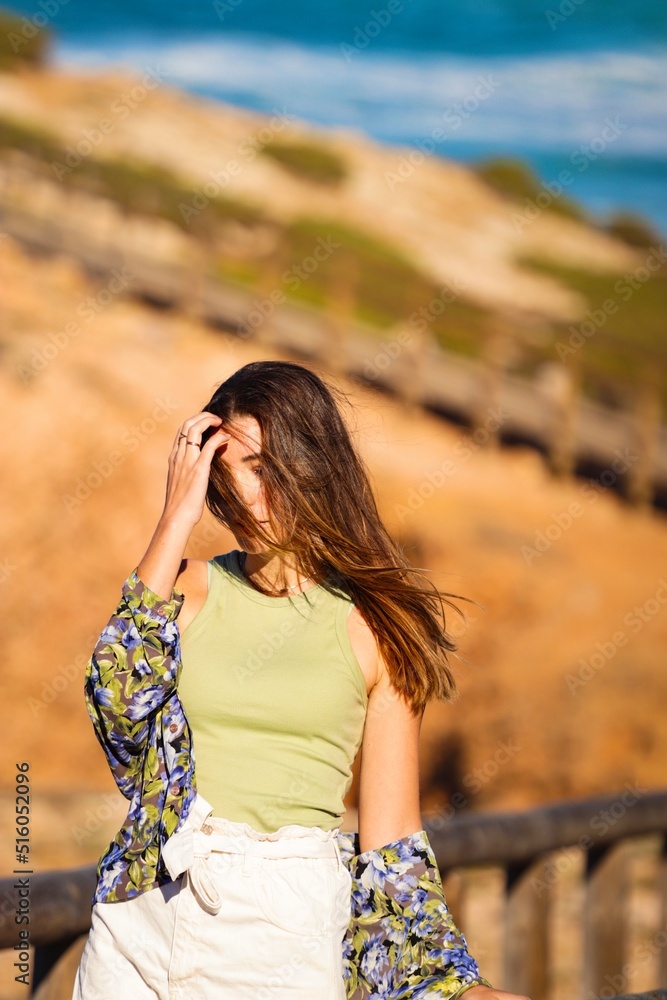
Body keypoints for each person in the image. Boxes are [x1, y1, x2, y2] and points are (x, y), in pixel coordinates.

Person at [72, 359, 531, 1000]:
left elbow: (391, 836)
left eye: (260, 468)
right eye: (223, 474)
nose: (245, 497)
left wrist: (449, 984)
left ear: (312, 462)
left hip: (281, 934)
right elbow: (115, 701)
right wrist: (176, 513)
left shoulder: (376, 628)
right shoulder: (186, 587)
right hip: (139, 917)